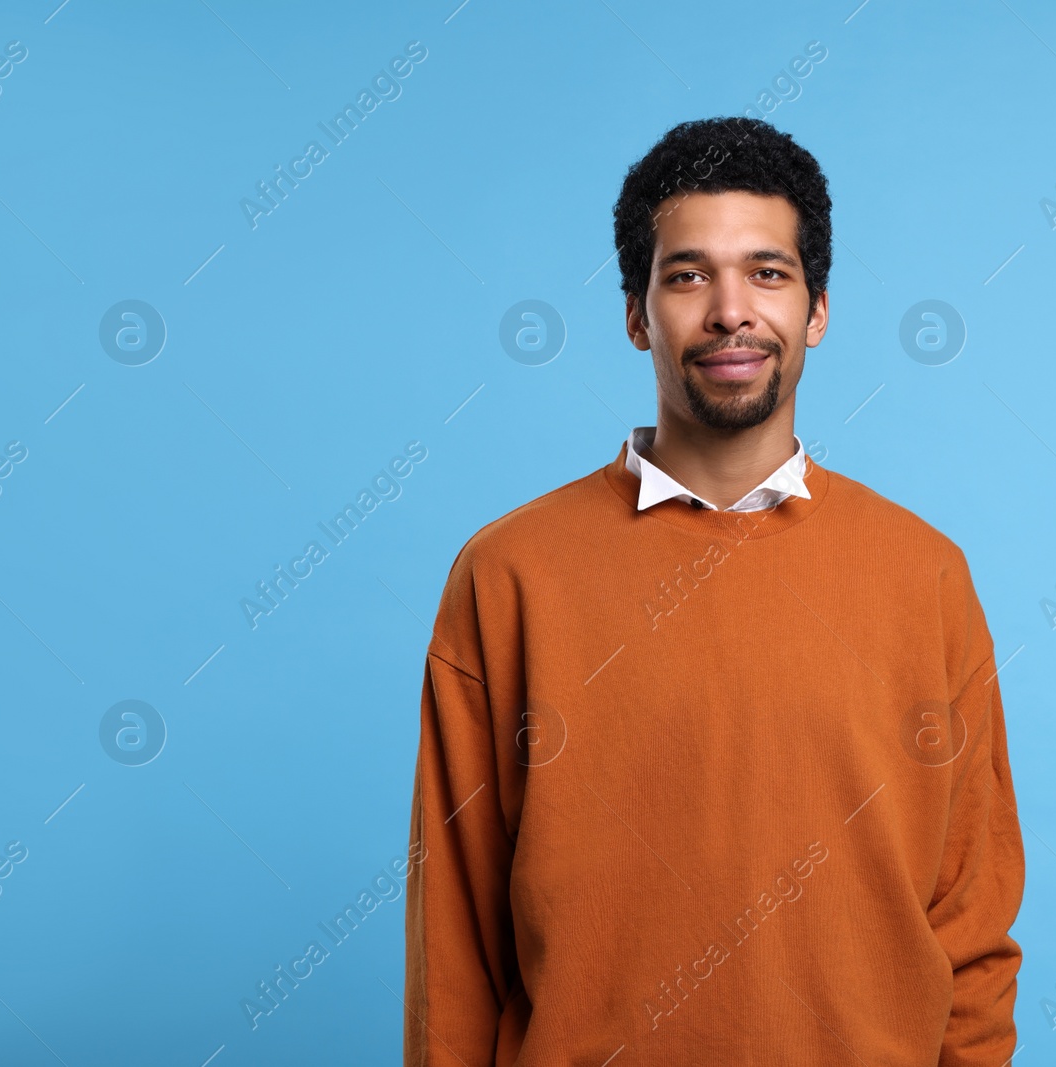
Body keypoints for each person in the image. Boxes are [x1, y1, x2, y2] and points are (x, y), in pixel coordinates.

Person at [403, 115, 1024, 1065]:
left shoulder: (925, 574)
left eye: (767, 273)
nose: (731, 310)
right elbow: (453, 942)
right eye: (687, 275)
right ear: (635, 313)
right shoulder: (509, 574)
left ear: (817, 309)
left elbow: (973, 925)